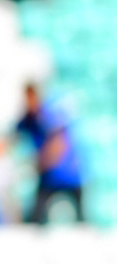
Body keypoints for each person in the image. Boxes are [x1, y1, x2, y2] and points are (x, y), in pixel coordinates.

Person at [14, 84, 84, 224]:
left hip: (67, 174)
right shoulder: (27, 119)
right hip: (48, 178)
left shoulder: (49, 116)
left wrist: (38, 163)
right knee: (36, 218)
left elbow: (58, 144)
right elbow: (11, 138)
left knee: (81, 222)